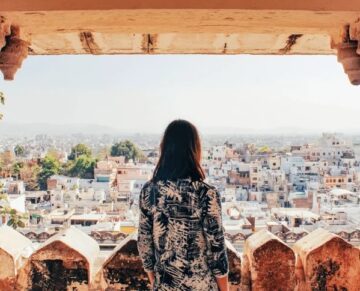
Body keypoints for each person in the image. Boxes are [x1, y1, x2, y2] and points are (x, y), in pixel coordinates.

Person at [137, 119, 229, 291]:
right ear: (194, 149)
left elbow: (144, 244)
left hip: (164, 285)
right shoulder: (205, 193)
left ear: (164, 149)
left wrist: (156, 282)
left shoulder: (150, 191)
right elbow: (216, 249)